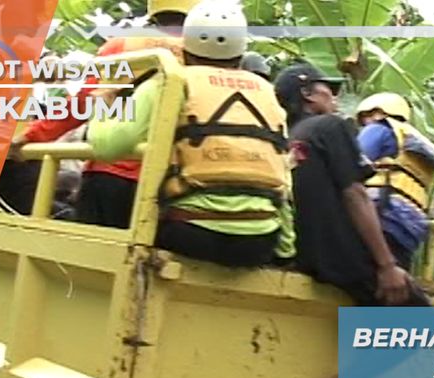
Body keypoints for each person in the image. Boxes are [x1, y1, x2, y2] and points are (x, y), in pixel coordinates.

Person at [274, 63, 431, 378]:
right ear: (308, 94)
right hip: (340, 251)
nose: (335, 95)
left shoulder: (286, 137)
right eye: (328, 88)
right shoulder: (331, 127)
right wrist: (386, 264)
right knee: (419, 320)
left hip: (303, 250)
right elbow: (355, 193)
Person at [87, 0, 294, 268]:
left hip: (191, 233)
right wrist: (286, 251)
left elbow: (106, 146)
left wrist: (103, 105)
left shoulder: (170, 81)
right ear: (241, 54)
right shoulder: (268, 94)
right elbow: (283, 176)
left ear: (185, 49)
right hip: (260, 242)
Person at [9, 0, 198, 228]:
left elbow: (82, 104)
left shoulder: (121, 45)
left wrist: (31, 136)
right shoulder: (204, 54)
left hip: (110, 174)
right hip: (172, 181)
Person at [355, 92, 434, 269]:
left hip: (383, 214)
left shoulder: (379, 129)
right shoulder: (415, 140)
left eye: (367, 116)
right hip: (411, 224)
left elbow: (353, 163)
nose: (365, 122)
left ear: (380, 112)